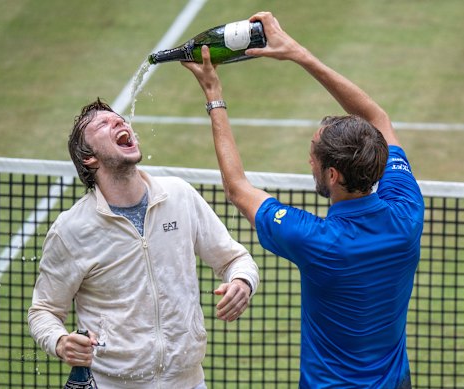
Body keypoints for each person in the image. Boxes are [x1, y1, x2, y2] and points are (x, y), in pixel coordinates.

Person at [183, 11, 424, 389]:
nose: (308, 158)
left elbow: (236, 187)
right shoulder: (406, 210)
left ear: (332, 175)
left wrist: (214, 96)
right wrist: (299, 54)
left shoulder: (317, 241)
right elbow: (378, 118)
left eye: (313, 153)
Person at [27, 98, 259, 388]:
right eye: (103, 124)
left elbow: (235, 259)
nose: (120, 122)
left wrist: (242, 282)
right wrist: (60, 341)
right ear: (90, 158)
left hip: (188, 381)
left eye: (120, 119)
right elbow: (44, 310)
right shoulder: (72, 230)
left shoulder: (179, 196)